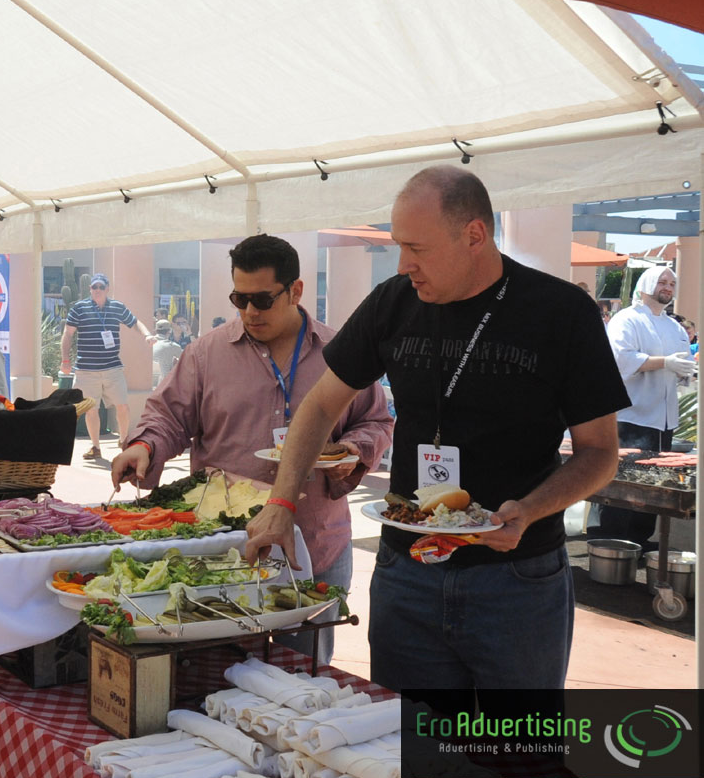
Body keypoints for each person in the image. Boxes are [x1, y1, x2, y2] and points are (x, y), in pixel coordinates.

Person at [246, 165, 629, 693]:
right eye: (399, 247)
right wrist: (281, 503)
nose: (404, 265)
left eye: (416, 249)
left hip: (516, 578)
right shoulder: (392, 302)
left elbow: (599, 453)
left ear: (474, 235)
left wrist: (530, 510)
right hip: (408, 574)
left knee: (514, 754)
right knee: (409, 749)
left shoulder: (560, 313)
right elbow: (317, 407)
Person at [112, 234, 392, 665]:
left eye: (261, 299)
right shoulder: (206, 354)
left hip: (313, 546)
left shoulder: (340, 352)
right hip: (226, 550)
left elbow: (376, 419)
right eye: (238, 299)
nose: (249, 312)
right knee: (216, 675)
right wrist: (144, 446)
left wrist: (353, 450)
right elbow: (168, 415)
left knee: (305, 678)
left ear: (296, 291)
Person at [590, 267, 695, 550]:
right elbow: (621, 360)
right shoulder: (627, 319)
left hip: (663, 420)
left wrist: (685, 371)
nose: (668, 287)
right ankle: (608, 541)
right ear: (646, 284)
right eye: (662, 281)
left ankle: (640, 541)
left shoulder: (674, 326)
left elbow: (681, 362)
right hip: (631, 415)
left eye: (672, 283)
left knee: (654, 484)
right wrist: (665, 362)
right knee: (622, 483)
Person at [60, 273, 157, 459]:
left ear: (107, 289)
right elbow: (68, 334)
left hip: (112, 367)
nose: (97, 290)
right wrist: (65, 359)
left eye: (100, 287)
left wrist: (146, 335)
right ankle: (95, 447)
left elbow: (135, 322)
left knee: (122, 406)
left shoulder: (117, 307)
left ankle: (123, 440)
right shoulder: (79, 308)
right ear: (90, 289)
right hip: (86, 369)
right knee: (91, 409)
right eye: (94, 287)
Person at [151, 319, 182, 387]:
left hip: (148, 384)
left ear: (156, 330)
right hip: (164, 386)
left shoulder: (148, 344)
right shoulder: (173, 346)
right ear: (169, 331)